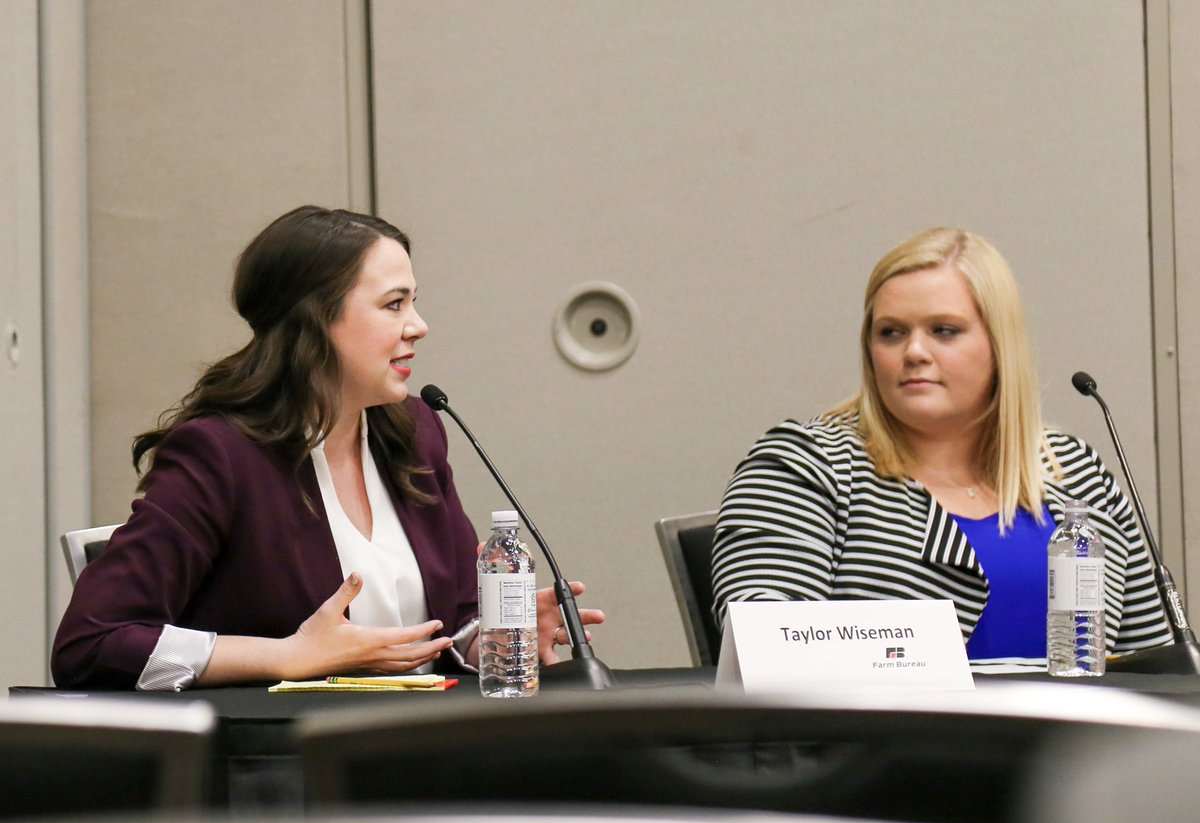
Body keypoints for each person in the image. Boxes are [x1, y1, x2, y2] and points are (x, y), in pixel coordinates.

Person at [53, 205, 603, 689]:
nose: (419, 326)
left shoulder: (411, 431)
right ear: (316, 320)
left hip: (423, 758)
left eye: (414, 302)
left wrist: (496, 639)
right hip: (290, 777)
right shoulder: (219, 455)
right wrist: (287, 656)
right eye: (394, 305)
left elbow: (451, 619)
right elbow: (92, 645)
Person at [712, 227, 1171, 660]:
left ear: (999, 346)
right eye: (891, 332)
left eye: (944, 331)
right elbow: (761, 645)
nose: (913, 352)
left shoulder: (1075, 471)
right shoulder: (806, 465)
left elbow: (1155, 665)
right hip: (892, 745)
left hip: (1079, 745)